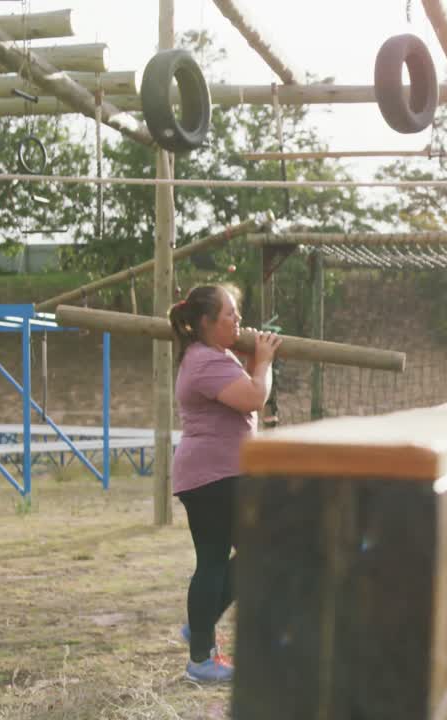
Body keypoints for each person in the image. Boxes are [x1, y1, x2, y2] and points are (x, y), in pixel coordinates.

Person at [168, 284, 281, 682]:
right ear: (206, 322)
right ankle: (201, 657)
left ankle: (201, 627)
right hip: (213, 475)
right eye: (229, 314)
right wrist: (263, 362)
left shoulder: (214, 355)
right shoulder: (204, 361)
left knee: (250, 551)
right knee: (216, 560)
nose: (238, 320)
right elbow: (253, 398)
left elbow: (244, 393)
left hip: (218, 473)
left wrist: (253, 362)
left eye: (237, 313)